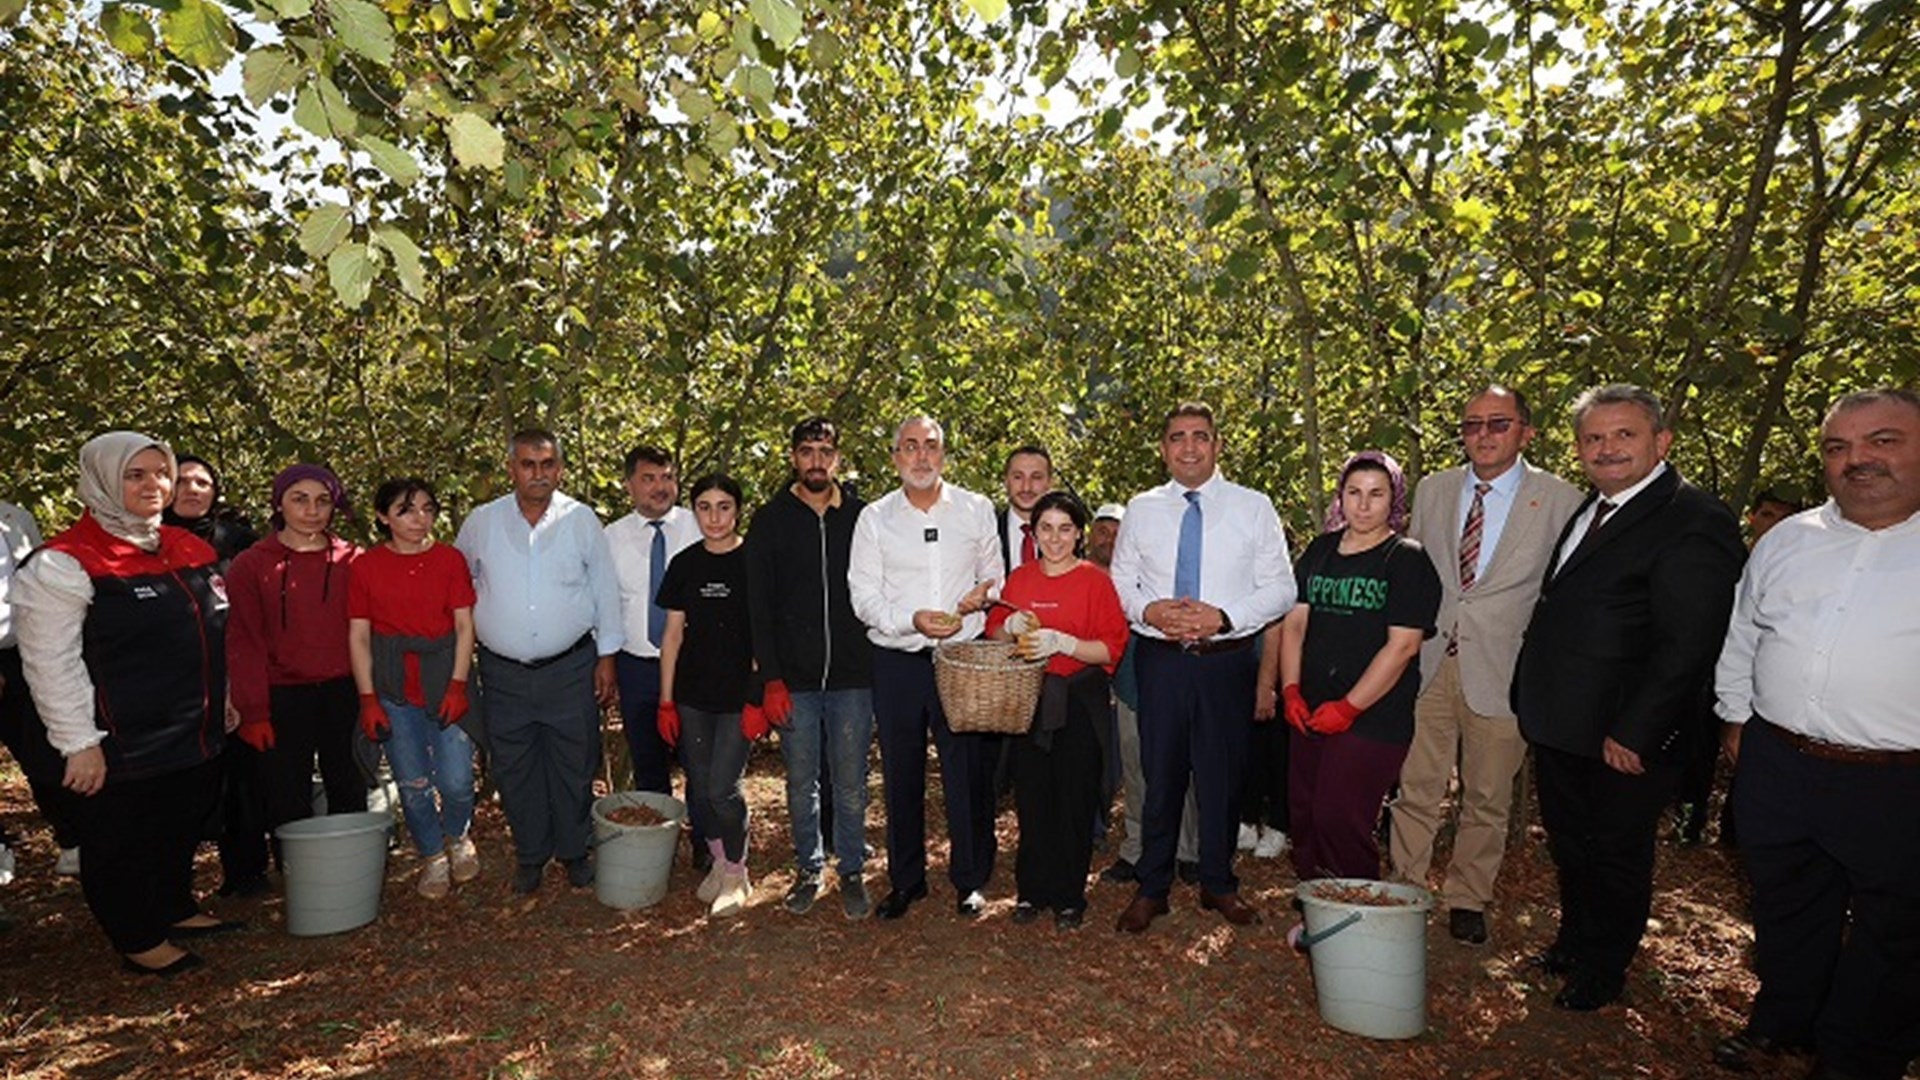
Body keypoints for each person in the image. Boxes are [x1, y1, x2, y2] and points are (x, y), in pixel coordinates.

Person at [1513, 384, 1743, 1011]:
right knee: (1572, 843)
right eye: (1594, 438)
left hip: (1624, 733)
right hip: (1564, 718)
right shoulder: (1594, 507)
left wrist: (1638, 731)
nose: (1607, 449)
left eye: (1624, 435)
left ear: (1661, 442)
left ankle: (1604, 968)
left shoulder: (1694, 519)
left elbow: (1689, 643)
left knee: (1616, 852)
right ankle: (1573, 943)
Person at [1711, 389, 1920, 1080]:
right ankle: (1782, 1026)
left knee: (1895, 934)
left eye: (1882, 441)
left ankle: (1856, 1058)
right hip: (1782, 763)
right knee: (1787, 909)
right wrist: (1736, 717)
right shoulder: (1792, 540)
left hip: (1899, 779)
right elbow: (1744, 633)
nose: (1857, 459)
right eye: (1838, 447)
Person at [12, 432, 235, 975]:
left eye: (161, 472)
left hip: (190, 725)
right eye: (136, 475)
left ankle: (174, 907)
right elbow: (50, 661)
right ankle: (137, 937)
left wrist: (222, 699)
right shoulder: (63, 564)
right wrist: (78, 743)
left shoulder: (189, 548)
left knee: (179, 820)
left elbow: (211, 632)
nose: (153, 485)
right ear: (102, 481)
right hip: (118, 737)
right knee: (120, 838)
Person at [1388, 386, 1581, 946]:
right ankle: (1404, 886)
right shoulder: (1435, 490)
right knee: (1416, 786)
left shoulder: (1561, 500)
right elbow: (1418, 573)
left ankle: (1468, 896)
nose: (1484, 435)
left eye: (1499, 423)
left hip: (1505, 669)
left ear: (1526, 431)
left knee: (1487, 796)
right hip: (1428, 663)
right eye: (1472, 424)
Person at [1108, 401, 1294, 933]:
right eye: (1177, 437)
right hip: (1161, 662)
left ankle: (1218, 883)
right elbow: (1121, 581)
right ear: (1164, 448)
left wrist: (1224, 616)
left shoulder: (1253, 507)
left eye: (1200, 436)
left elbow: (1281, 588)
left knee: (1221, 778)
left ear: (1217, 444)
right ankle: (1153, 887)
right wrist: (1148, 609)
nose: (1188, 447)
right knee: (1159, 775)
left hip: (1225, 663)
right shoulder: (1142, 508)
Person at [848, 415, 1002, 920]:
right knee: (901, 773)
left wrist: (982, 597)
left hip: (962, 660)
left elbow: (994, 576)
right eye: (910, 447)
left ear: (944, 453)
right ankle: (907, 880)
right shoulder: (874, 518)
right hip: (897, 661)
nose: (921, 456)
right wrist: (909, 621)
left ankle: (970, 879)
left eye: (930, 446)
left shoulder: (977, 510)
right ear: (895, 457)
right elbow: (863, 595)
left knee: (967, 774)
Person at [457, 429, 624, 894]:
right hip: (503, 669)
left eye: (546, 464)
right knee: (514, 764)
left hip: (571, 666)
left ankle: (573, 851)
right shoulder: (481, 522)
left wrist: (607, 656)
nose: (538, 473)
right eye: (528, 464)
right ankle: (531, 853)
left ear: (560, 469)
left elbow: (605, 589)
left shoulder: (580, 519)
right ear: (511, 468)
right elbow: (458, 584)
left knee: (575, 761)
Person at [1279, 451, 1440, 885]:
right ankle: (1318, 904)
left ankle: (1359, 911)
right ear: (1340, 498)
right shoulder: (1320, 550)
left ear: (1394, 501)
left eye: (1376, 494)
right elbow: (1295, 623)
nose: (1363, 505)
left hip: (1372, 717)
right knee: (1306, 813)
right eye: (1354, 492)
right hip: (1310, 708)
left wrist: (1349, 707)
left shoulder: (1406, 559)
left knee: (1339, 816)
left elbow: (1403, 645)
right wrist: (1290, 688)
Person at [745, 417, 876, 919]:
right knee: (801, 781)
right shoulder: (770, 520)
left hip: (854, 675)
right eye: (807, 451)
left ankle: (851, 873)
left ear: (838, 457)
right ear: (793, 458)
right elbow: (759, 606)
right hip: (794, 679)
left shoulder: (863, 517)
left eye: (826, 450)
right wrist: (770, 677)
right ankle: (808, 868)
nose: (816, 460)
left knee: (850, 780)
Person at [987, 492, 1129, 929]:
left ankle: (1070, 895)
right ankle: (1031, 891)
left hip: (1079, 702)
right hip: (1030, 699)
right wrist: (1008, 627)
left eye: (1064, 528)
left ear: (1078, 533)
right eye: (1045, 528)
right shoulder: (1021, 579)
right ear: (1033, 533)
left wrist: (1065, 644)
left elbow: (1112, 646)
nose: (1055, 538)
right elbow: (995, 632)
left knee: (1075, 796)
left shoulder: (1095, 581)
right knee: (1032, 797)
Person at [347, 478, 479, 899]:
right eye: (406, 510)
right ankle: (431, 855)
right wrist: (368, 697)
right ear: (383, 517)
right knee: (413, 782)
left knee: (457, 779)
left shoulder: (449, 560)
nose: (419, 518)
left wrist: (459, 685)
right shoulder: (366, 566)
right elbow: (359, 636)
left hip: (444, 674)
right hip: (392, 682)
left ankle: (458, 836)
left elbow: (464, 625)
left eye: (427, 508)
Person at [226, 464, 365, 854]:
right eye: (299, 500)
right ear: (279, 504)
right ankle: (299, 878)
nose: (312, 510)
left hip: (345, 690)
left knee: (348, 784)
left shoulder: (353, 560)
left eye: (322, 501)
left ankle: (352, 866)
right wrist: (252, 711)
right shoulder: (251, 565)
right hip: (282, 694)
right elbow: (244, 640)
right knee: (286, 794)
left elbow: (370, 633)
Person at [656, 474, 764, 918]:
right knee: (700, 789)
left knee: (723, 787)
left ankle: (738, 872)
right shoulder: (684, 564)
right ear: (693, 510)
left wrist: (760, 696)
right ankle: (720, 863)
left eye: (723, 506)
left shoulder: (755, 561)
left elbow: (765, 637)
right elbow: (673, 635)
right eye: (704, 507)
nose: (714, 517)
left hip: (739, 696)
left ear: (738, 509)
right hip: (693, 694)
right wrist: (666, 700)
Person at [1674, 484, 1806, 847]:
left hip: (1766, 686)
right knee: (1697, 755)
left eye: (1785, 517)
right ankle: (1689, 825)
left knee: (1752, 760)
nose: (1775, 524)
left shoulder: (1805, 569)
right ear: (1752, 516)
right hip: (1708, 674)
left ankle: (1736, 836)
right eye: (1767, 514)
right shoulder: (1725, 556)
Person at [163, 454, 267, 896]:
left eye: (202, 482)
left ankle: (246, 875)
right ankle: (172, 889)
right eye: (182, 481)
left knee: (245, 780)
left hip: (237, 673)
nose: (192, 489)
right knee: (179, 786)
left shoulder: (239, 541)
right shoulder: (144, 541)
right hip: (171, 685)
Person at [603, 446, 709, 868]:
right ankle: (657, 847)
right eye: (648, 478)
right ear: (629, 485)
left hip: (692, 667)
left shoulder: (699, 526)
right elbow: (605, 605)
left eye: (666, 477)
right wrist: (605, 660)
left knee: (699, 761)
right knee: (648, 762)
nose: (659, 487)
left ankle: (706, 845)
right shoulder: (610, 537)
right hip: (635, 665)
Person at [1, 498, 81, 880]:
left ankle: (71, 840)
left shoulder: (15, 517)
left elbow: (32, 580)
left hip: (22, 651)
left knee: (43, 751)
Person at [998, 446, 1054, 575]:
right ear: (1006, 481)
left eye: (1036, 477)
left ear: (1050, 482)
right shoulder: (987, 531)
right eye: (1018, 477)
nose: (1026, 487)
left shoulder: (1065, 538)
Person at [1086, 503, 1124, 571]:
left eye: (1117, 534)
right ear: (1090, 535)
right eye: (1103, 532)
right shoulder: (1069, 573)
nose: (1109, 539)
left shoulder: (1138, 578)